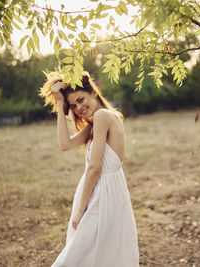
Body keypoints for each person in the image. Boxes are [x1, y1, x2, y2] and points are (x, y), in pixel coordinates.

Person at [39, 70, 139, 267]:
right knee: (97, 255)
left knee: (76, 257)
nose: (78, 108)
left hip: (102, 196)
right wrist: (60, 104)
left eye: (80, 99)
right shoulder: (96, 123)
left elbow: (94, 168)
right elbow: (64, 144)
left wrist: (80, 210)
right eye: (73, 106)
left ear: (93, 92)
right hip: (104, 193)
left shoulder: (103, 116)